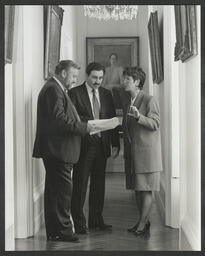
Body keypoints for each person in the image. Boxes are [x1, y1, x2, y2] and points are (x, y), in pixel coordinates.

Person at [32, 60, 98, 242]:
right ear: (63, 74)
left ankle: (54, 231)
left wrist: (86, 123)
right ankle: (64, 231)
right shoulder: (54, 89)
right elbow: (59, 121)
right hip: (58, 150)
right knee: (62, 192)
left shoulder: (55, 88)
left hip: (55, 149)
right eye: (74, 76)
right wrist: (85, 128)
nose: (75, 80)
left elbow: (64, 116)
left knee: (54, 192)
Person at [70, 62, 120, 234]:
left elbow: (112, 118)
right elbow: (73, 120)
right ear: (87, 75)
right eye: (94, 78)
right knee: (80, 185)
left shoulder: (106, 94)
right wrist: (90, 123)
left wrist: (115, 143)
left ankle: (96, 220)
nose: (98, 81)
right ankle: (78, 223)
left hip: (102, 145)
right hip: (84, 146)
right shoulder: (74, 93)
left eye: (100, 78)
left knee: (99, 186)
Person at [122, 66, 163, 236]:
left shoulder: (149, 99)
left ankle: (142, 224)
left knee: (146, 189)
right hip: (134, 154)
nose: (124, 82)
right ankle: (143, 222)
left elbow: (155, 123)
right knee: (138, 189)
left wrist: (139, 117)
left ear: (137, 82)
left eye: (127, 79)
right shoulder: (128, 100)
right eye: (124, 79)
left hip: (147, 155)